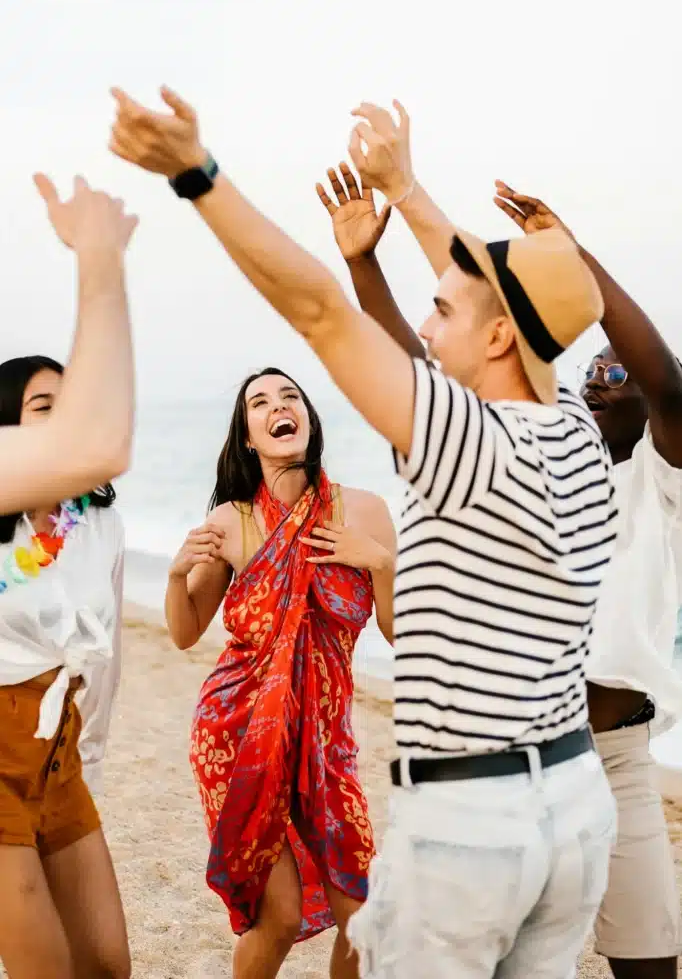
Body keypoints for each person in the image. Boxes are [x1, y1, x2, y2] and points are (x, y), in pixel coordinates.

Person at [109, 86, 618, 978]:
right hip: (575, 806)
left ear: (498, 335)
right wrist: (410, 192)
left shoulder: (472, 445)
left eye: (443, 314)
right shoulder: (574, 428)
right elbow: (506, 311)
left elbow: (320, 314)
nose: (422, 328)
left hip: (477, 824)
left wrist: (198, 173)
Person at [493, 182, 682, 979]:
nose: (602, 373)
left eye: (617, 367)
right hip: (527, 755)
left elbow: (665, 378)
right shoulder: (554, 472)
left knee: (652, 959)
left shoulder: (663, 480)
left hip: (622, 760)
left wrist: (577, 262)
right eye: (593, 366)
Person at [164, 366, 395, 979]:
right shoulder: (231, 522)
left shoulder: (365, 512)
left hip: (325, 740)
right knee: (282, 915)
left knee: (365, 917)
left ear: (309, 419)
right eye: (259, 403)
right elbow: (186, 632)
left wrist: (380, 563)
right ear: (248, 436)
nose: (277, 407)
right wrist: (172, 575)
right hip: (238, 734)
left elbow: (402, 634)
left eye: (289, 396)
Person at [0, 356, 130, 979]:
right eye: (43, 407)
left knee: (106, 964)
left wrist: (90, 763)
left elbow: (108, 665)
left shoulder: (99, 522)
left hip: (63, 754)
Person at [0, 175, 137, 516]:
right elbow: (94, 444)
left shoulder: (101, 523)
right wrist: (99, 249)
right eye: (46, 408)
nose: (66, 419)